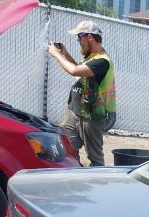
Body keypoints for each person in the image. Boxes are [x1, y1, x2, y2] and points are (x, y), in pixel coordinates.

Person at [48, 20, 116, 166]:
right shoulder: (92, 58)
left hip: (90, 117)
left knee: (95, 158)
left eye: (80, 37)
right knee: (68, 149)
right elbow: (80, 71)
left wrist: (56, 55)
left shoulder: (102, 61)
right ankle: (75, 175)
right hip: (75, 111)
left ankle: (97, 184)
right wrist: (65, 54)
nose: (78, 41)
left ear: (89, 37)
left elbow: (74, 70)